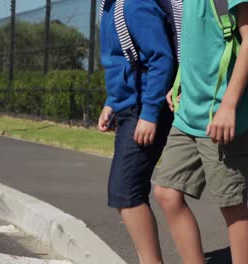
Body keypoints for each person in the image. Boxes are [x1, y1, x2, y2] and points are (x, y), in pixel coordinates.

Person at [153, 0, 248, 263]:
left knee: (231, 205)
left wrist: (229, 105)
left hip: (221, 117)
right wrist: (181, 84)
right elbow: (197, 46)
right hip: (188, 112)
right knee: (166, 193)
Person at [97, 0, 175, 263]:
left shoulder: (134, 5)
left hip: (143, 110)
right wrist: (111, 102)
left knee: (126, 192)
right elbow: (120, 63)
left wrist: (150, 113)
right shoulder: (108, 8)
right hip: (129, 108)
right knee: (127, 192)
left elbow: (161, 58)